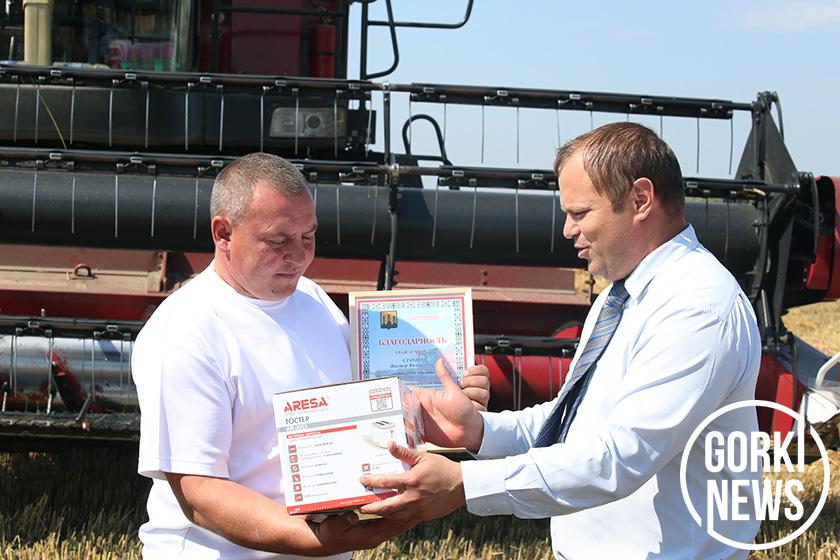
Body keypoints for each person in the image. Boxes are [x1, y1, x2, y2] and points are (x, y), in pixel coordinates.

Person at [358, 122, 763, 559]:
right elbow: (576, 423)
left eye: (581, 212)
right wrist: (479, 431)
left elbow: (620, 458)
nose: (568, 229)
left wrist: (464, 484)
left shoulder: (697, 308)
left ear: (641, 199)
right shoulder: (620, 297)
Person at [131, 152, 490, 559]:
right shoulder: (186, 331)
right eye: (278, 240)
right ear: (223, 233)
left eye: (308, 237)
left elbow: (366, 414)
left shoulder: (313, 299)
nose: (300, 256)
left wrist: (439, 418)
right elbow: (199, 493)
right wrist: (315, 540)